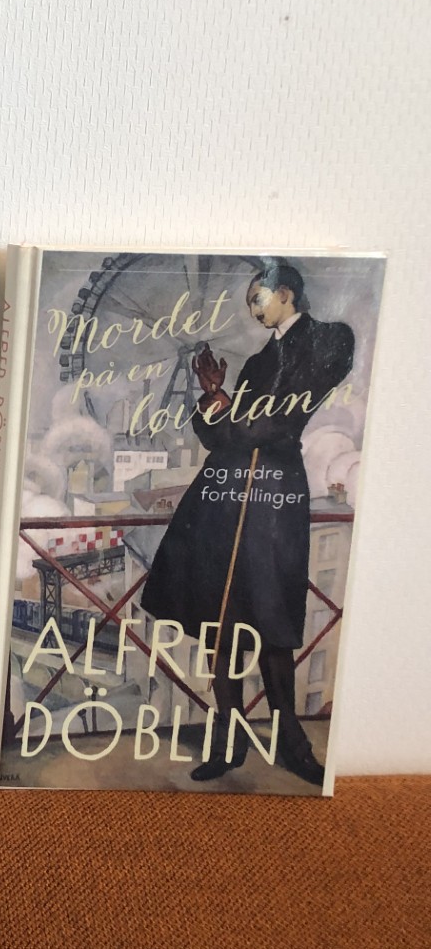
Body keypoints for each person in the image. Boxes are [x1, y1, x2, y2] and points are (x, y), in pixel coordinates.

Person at [139, 258, 353, 786]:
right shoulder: (258, 363)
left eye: (258, 299)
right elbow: (216, 436)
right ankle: (229, 741)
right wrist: (213, 396)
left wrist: (228, 408)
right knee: (221, 626)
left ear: (286, 294)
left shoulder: (329, 339)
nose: (252, 310)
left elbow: (272, 424)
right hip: (223, 504)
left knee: (273, 625)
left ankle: (291, 746)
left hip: (272, 503)